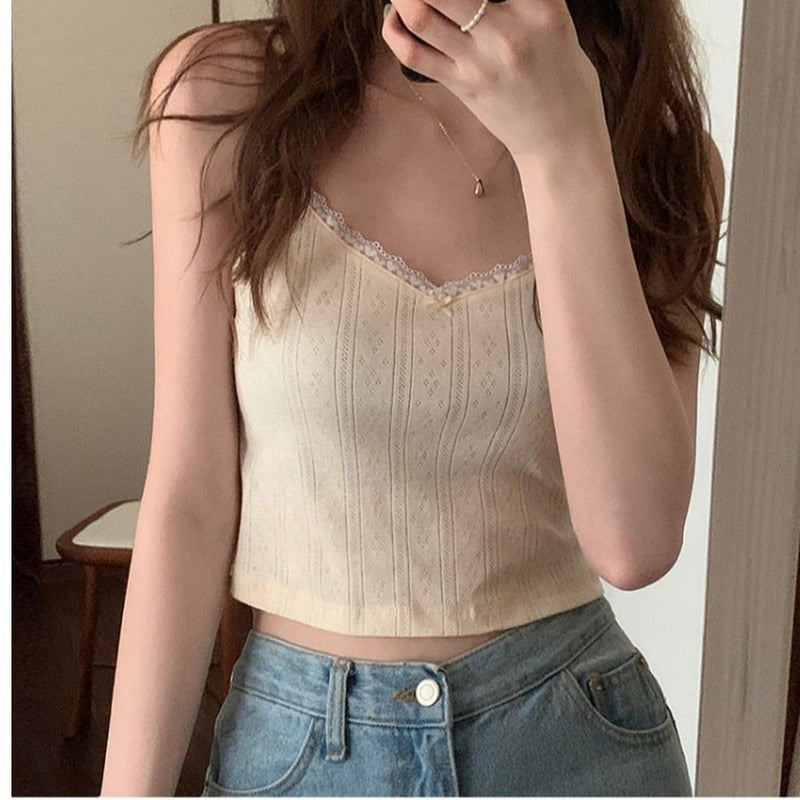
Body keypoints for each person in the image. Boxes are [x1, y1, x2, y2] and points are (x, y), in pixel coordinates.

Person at [101, 0, 724, 795]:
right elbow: (189, 503)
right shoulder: (224, 98)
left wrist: (563, 148)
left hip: (575, 740)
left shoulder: (655, 154)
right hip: (303, 752)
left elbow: (634, 543)